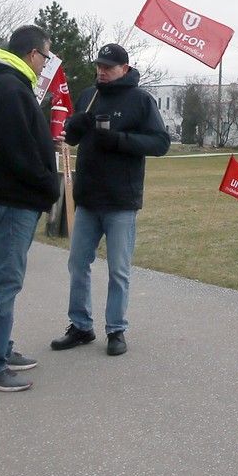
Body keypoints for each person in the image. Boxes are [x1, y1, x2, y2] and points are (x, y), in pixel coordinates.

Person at [50, 43, 169, 356]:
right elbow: (73, 137)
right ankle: (80, 326)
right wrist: (74, 128)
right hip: (87, 197)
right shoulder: (89, 95)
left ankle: (116, 329)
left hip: (121, 200)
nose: (102, 71)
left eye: (109, 67)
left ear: (125, 69)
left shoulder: (141, 100)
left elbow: (160, 142)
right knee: (77, 264)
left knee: (118, 270)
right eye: (99, 66)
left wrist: (119, 140)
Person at [0, 25, 61, 392]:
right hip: (14, 200)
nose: (46, 64)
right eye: (46, 56)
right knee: (5, 282)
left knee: (7, 281)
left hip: (15, 197)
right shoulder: (10, 87)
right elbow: (18, 150)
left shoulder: (11, 85)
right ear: (31, 53)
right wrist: (48, 184)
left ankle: (0, 349)